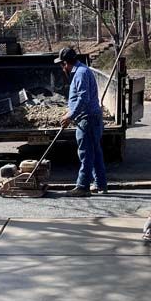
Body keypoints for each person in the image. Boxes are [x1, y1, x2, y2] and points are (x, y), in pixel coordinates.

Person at [57, 46, 107, 197]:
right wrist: (70, 112)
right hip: (90, 117)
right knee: (95, 152)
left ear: (66, 63)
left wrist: (71, 116)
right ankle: (100, 183)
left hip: (87, 119)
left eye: (62, 64)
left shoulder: (80, 73)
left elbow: (83, 98)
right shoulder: (82, 70)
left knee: (86, 153)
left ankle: (83, 186)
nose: (62, 67)